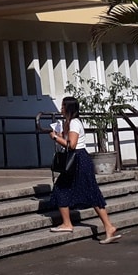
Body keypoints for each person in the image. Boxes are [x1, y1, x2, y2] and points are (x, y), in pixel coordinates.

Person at [48, 96, 122, 243]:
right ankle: (107, 226)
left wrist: (55, 137)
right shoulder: (69, 123)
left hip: (78, 160)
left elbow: (73, 145)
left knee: (66, 189)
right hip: (78, 160)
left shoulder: (74, 123)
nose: (61, 109)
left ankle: (73, 224)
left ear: (68, 108)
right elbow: (69, 141)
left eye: (63, 106)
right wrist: (60, 132)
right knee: (82, 191)